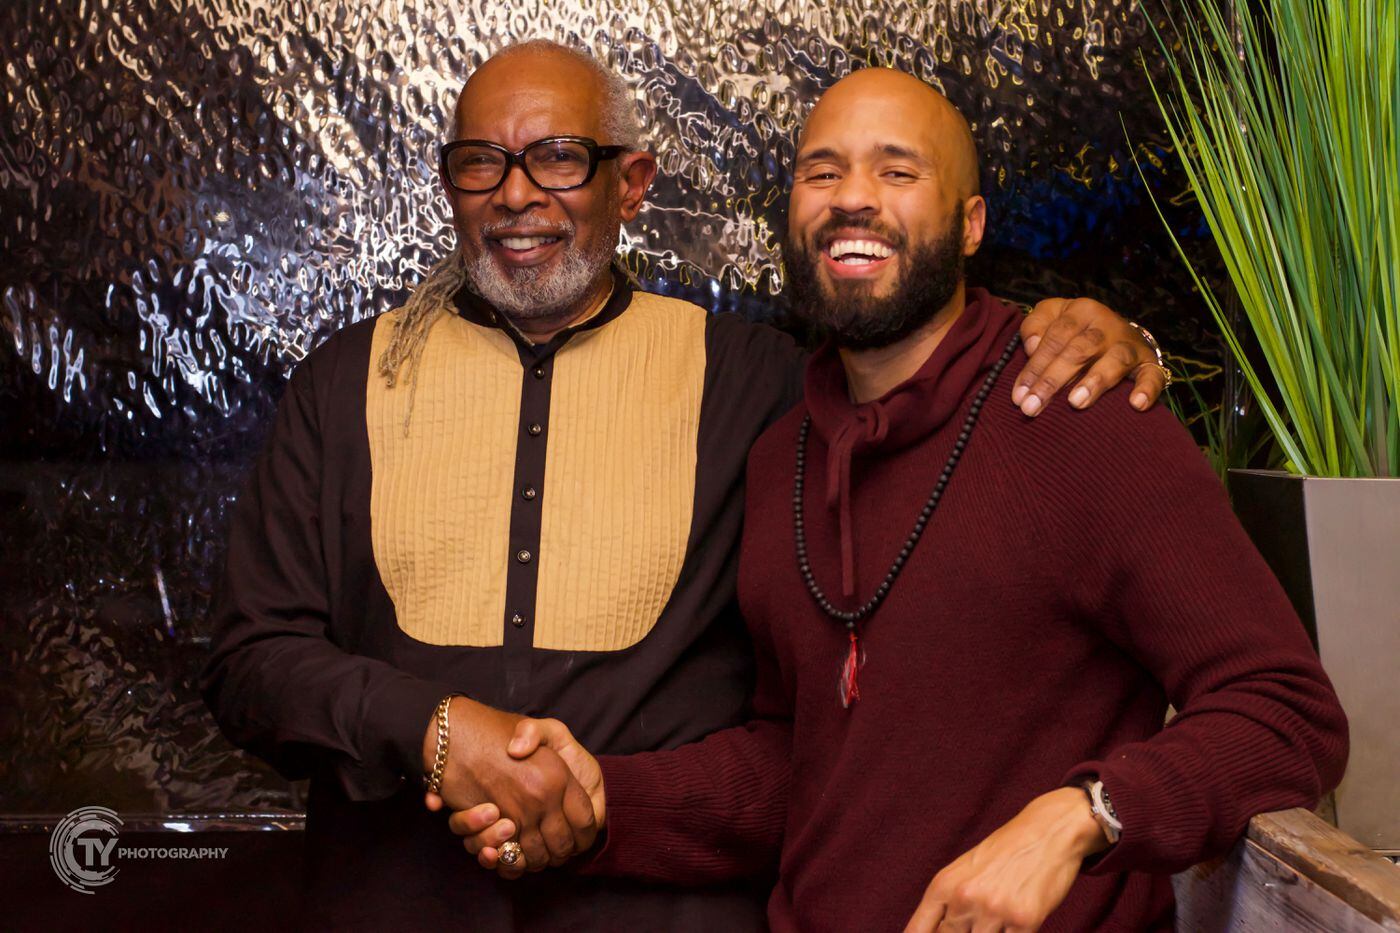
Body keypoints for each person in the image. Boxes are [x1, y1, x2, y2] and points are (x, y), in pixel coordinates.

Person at [202, 42, 1169, 930]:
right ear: (449, 185)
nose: (515, 194)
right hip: (391, 906)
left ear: (633, 184)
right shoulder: (346, 382)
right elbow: (250, 663)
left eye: (559, 158)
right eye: (480, 163)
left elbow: (930, 403)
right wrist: (432, 729)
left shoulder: (760, 382)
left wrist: (1102, 337)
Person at [453, 69, 1350, 932]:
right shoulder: (781, 458)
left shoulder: (1076, 412)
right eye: (822, 170)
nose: (853, 197)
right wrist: (606, 800)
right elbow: (802, 768)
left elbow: (1286, 712)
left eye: (897, 170)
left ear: (970, 224)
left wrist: (1083, 816)